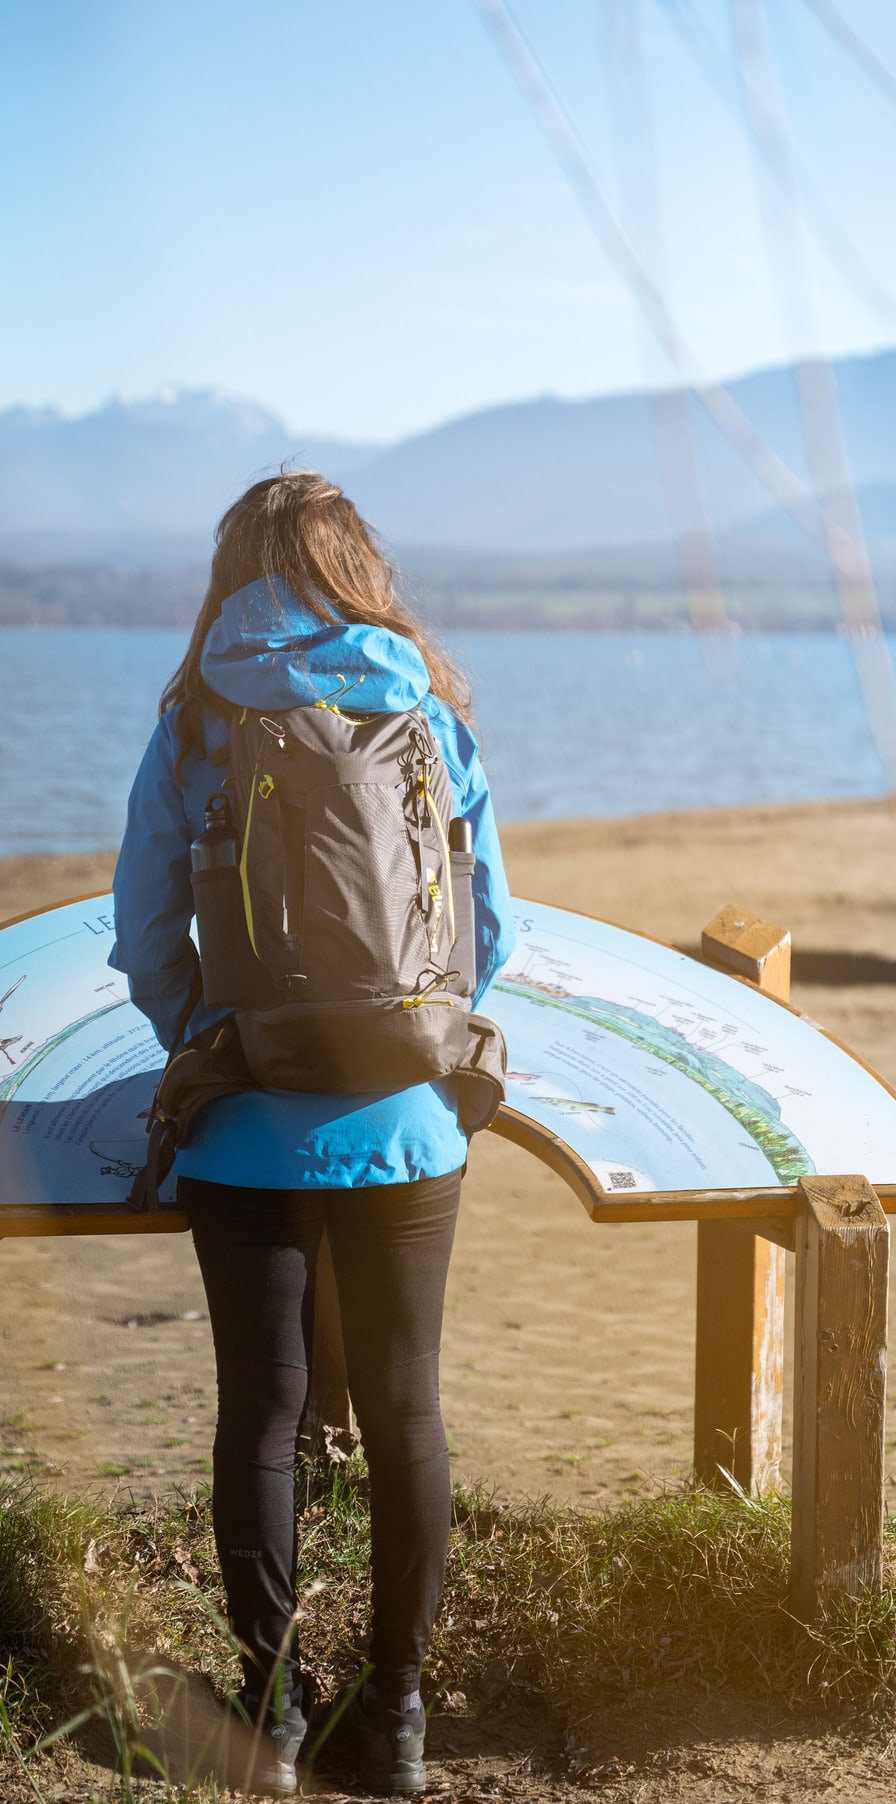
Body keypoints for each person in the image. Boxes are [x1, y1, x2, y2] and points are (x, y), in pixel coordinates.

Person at [109, 471, 515, 1797]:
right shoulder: (424, 705)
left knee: (263, 1412)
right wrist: (410, 1047)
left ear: (235, 569)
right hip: (408, 1125)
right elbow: (487, 925)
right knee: (407, 1403)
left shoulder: (199, 715)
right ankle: (395, 1721)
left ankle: (271, 1718)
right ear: (356, 565)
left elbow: (141, 927)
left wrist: (217, 1038)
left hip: (244, 1130)